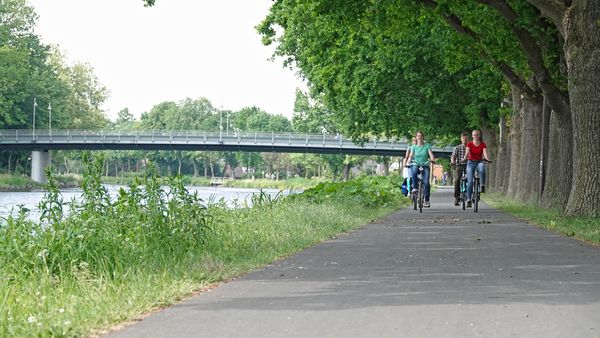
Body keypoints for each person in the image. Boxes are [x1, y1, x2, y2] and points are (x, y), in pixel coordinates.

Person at [405, 131, 436, 207]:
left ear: (423, 137)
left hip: (425, 165)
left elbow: (431, 154)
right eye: (418, 136)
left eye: (421, 136)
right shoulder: (413, 147)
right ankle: (415, 188)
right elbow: (411, 156)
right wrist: (408, 162)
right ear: (416, 137)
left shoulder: (427, 146)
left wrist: (432, 159)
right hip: (416, 164)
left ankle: (427, 200)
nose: (419, 137)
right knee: (414, 172)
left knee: (426, 183)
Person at [463, 129, 491, 207]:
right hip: (470, 162)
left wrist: (487, 159)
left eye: (477, 135)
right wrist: (465, 158)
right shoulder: (469, 144)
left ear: (479, 136)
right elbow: (467, 152)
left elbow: (485, 152)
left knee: (482, 168)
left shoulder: (483, 144)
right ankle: (468, 199)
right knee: (470, 182)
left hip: (479, 161)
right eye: (474, 135)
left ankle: (482, 185)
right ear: (472, 136)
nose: (475, 136)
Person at [451, 131, 469, 206]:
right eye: (463, 137)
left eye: (466, 137)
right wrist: (453, 162)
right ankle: (456, 197)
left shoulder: (470, 147)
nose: (464, 139)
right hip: (459, 165)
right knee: (457, 179)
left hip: (469, 165)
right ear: (461, 139)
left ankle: (470, 197)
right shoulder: (457, 147)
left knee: (470, 180)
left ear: (468, 139)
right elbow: (453, 156)